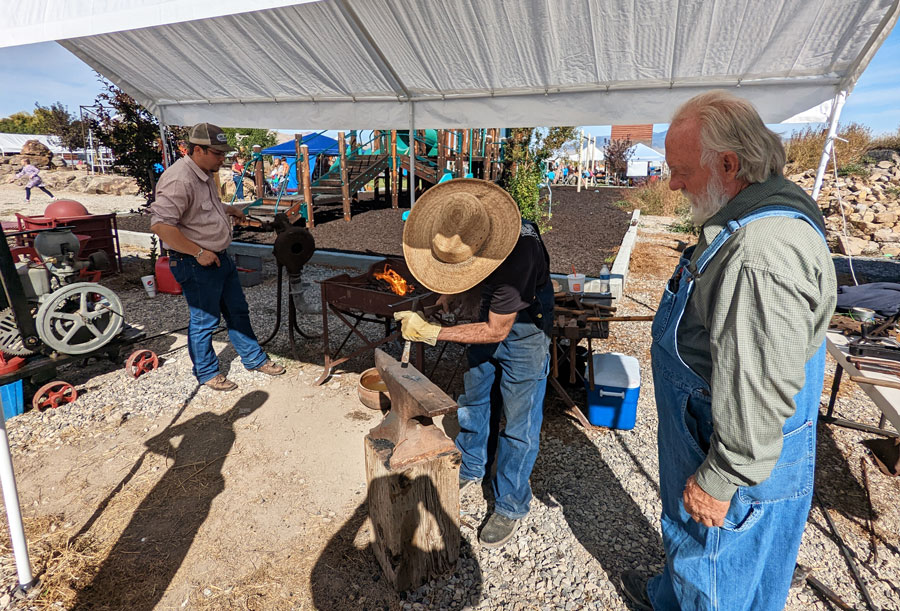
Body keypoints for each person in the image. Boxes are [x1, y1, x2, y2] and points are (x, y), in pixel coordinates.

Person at [620, 91, 836, 611]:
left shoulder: (760, 253)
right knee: (698, 551)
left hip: (727, 443)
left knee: (717, 566)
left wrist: (721, 479)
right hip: (708, 422)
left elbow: (760, 390)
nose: (673, 184)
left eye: (681, 171)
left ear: (728, 164)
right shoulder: (754, 210)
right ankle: (670, 596)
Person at [394, 179, 553, 549]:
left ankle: (511, 502)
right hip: (493, 309)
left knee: (519, 423)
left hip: (524, 327)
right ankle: (471, 465)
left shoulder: (516, 260)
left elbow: (497, 330)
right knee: (475, 398)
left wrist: (431, 333)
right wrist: (450, 291)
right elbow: (473, 268)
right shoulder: (475, 220)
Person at [150, 123, 285, 391]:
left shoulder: (203, 173)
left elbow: (201, 208)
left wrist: (228, 210)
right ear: (197, 150)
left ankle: (254, 358)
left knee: (237, 311)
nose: (223, 158)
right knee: (205, 321)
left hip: (219, 257)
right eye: (218, 153)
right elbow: (161, 225)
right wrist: (198, 252)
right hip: (194, 261)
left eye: (224, 153)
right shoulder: (179, 179)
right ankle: (207, 372)